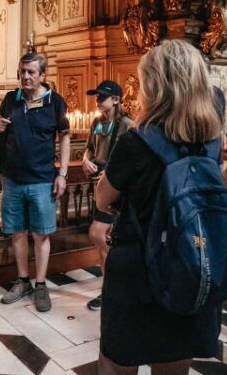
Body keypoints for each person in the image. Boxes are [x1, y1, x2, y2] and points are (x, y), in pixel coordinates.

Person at [94, 39, 225, 374]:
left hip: (139, 264)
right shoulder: (212, 138)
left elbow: (103, 198)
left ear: (154, 85)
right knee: (174, 357)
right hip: (190, 258)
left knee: (118, 355)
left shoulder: (136, 142)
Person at [0, 52, 71, 312]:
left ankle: (41, 284)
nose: (25, 76)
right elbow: (1, 131)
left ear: (42, 75)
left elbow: (64, 137)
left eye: (31, 72)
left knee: (41, 234)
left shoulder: (55, 102)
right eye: (22, 71)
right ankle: (23, 279)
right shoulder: (10, 100)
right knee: (17, 232)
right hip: (13, 180)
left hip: (42, 179)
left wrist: (62, 174)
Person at [81, 80, 133, 311]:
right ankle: (112, 285)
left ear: (116, 99)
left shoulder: (128, 126)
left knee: (97, 233)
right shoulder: (97, 122)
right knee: (104, 237)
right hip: (100, 186)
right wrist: (85, 161)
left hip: (116, 189)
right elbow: (90, 148)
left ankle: (112, 285)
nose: (98, 99)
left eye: (102, 96)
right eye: (96, 96)